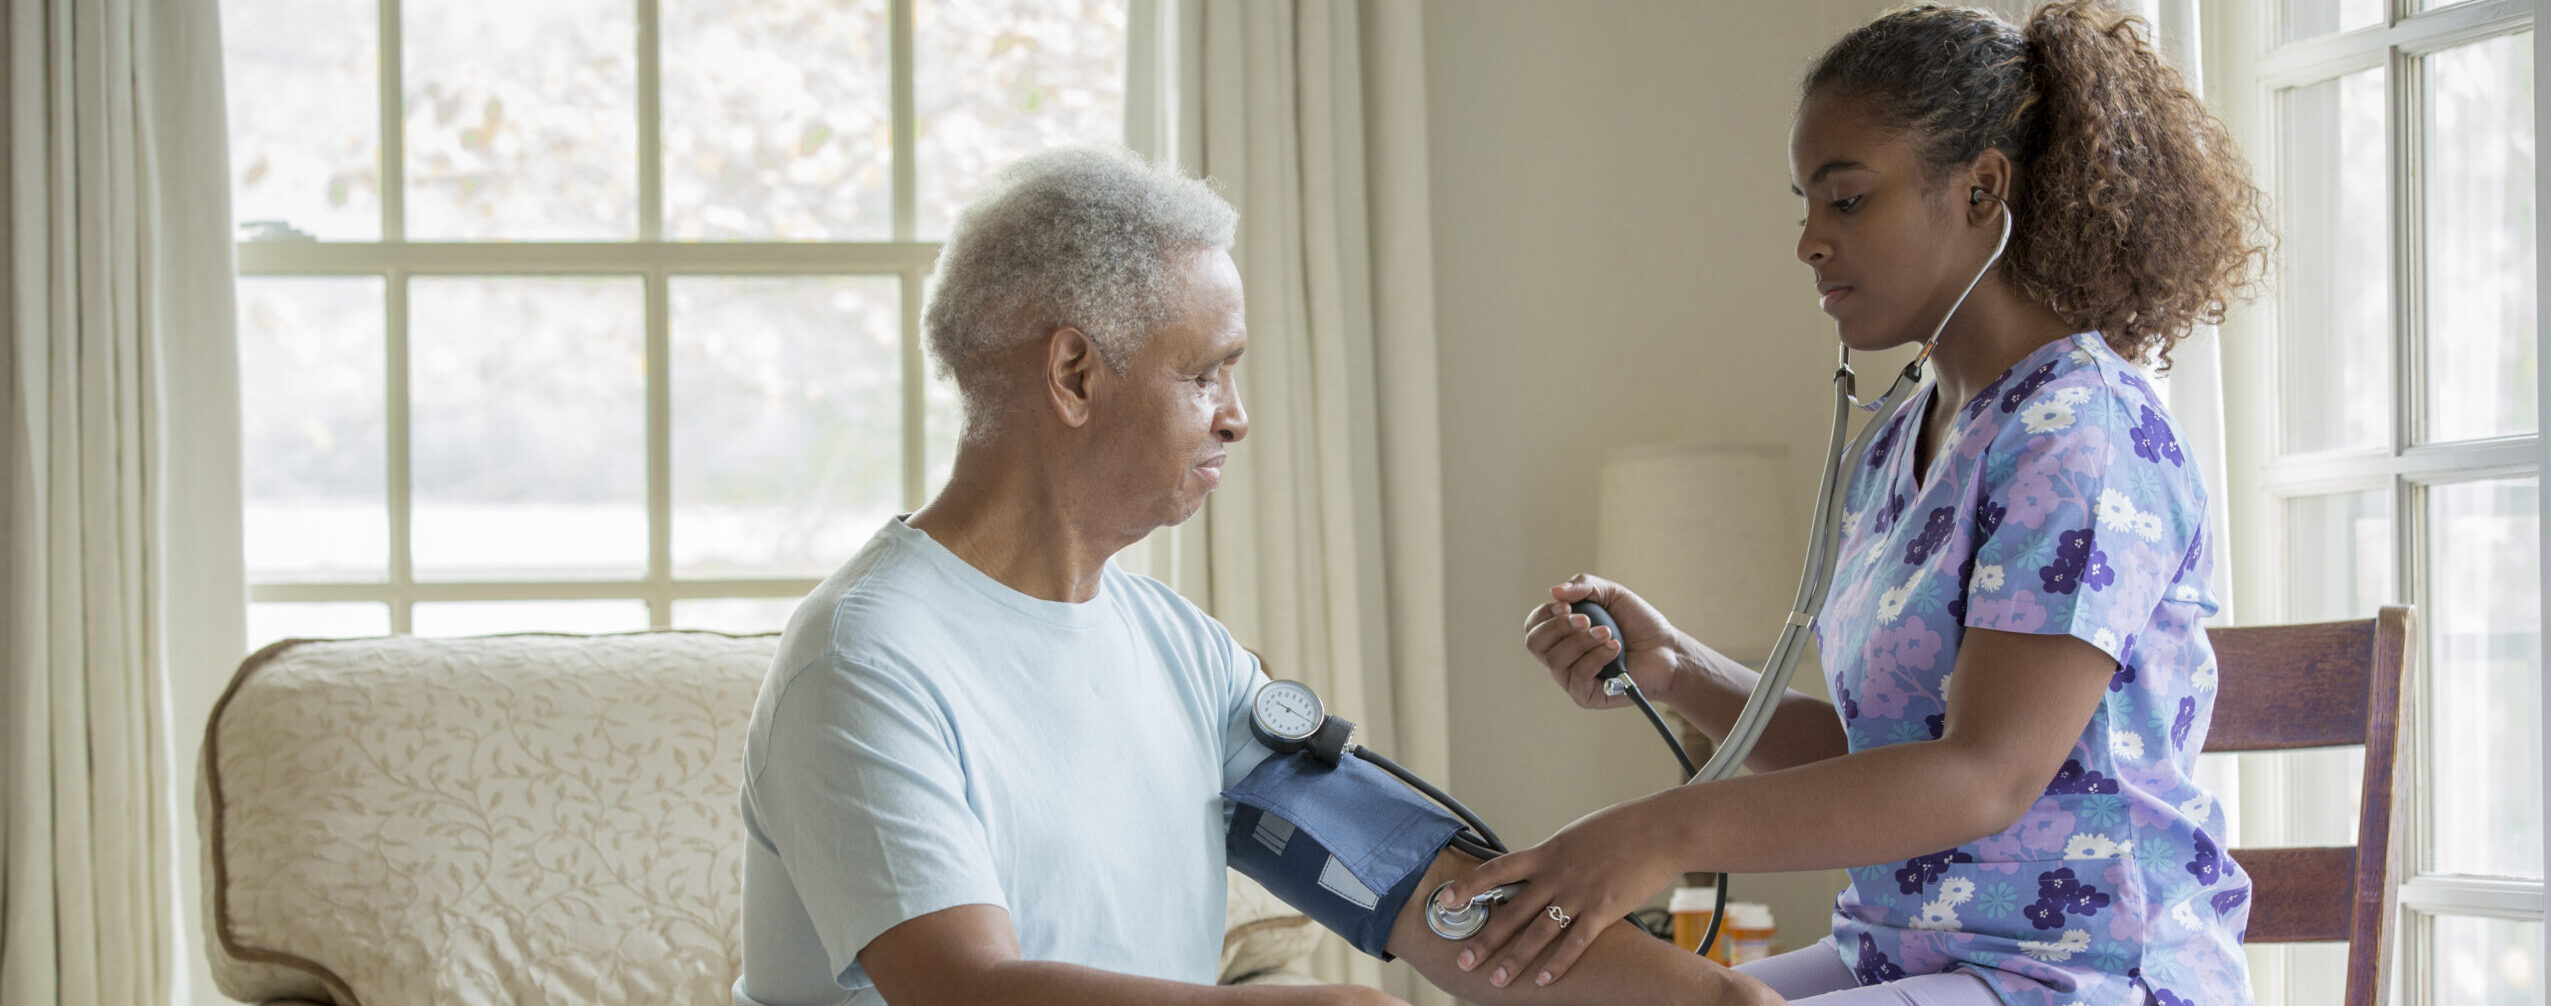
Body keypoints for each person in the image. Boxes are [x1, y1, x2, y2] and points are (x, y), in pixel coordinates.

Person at [733, 146, 1778, 1006]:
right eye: (1204, 372)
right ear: (1074, 373)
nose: (1238, 414)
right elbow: (962, 988)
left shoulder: (1181, 650)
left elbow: (1419, 884)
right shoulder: (866, 659)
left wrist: (1709, 1000)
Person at [1433, 4, 2270, 1005]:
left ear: (1981, 190)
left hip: (2080, 975)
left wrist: (1659, 831)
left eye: (1846, 200)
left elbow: (1982, 775)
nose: (1808, 244)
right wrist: (1678, 670)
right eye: (1805, 206)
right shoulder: (1904, 440)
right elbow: (1887, 761)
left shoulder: (2079, 436)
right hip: (1914, 957)